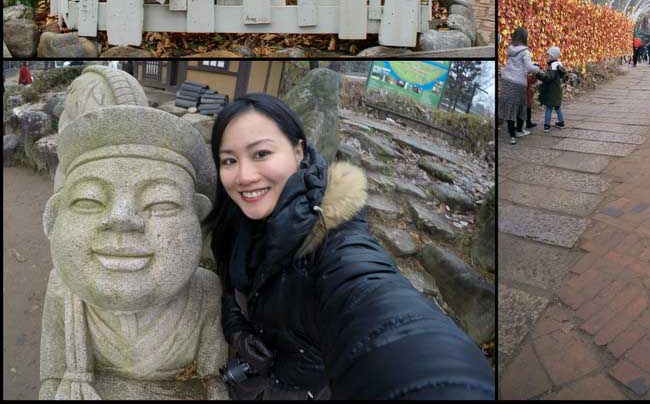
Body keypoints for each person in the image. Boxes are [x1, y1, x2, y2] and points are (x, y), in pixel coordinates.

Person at [204, 93, 495, 400]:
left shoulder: (333, 238)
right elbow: (229, 287)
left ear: (299, 151)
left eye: (261, 153)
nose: (245, 176)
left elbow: (374, 301)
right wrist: (237, 329)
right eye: (229, 160)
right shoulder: (237, 218)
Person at [498, 26, 540, 144]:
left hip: (506, 80)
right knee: (521, 106)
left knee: (510, 106)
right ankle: (519, 130)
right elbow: (529, 67)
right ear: (525, 37)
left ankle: (512, 135)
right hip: (518, 82)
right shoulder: (525, 51)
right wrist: (538, 69)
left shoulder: (510, 48)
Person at [538, 47, 567, 132]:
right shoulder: (558, 65)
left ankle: (547, 125)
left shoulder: (553, 66)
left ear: (553, 56)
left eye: (548, 56)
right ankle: (561, 122)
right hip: (557, 90)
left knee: (549, 107)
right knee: (557, 107)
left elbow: (548, 77)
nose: (547, 57)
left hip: (551, 91)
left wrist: (539, 74)